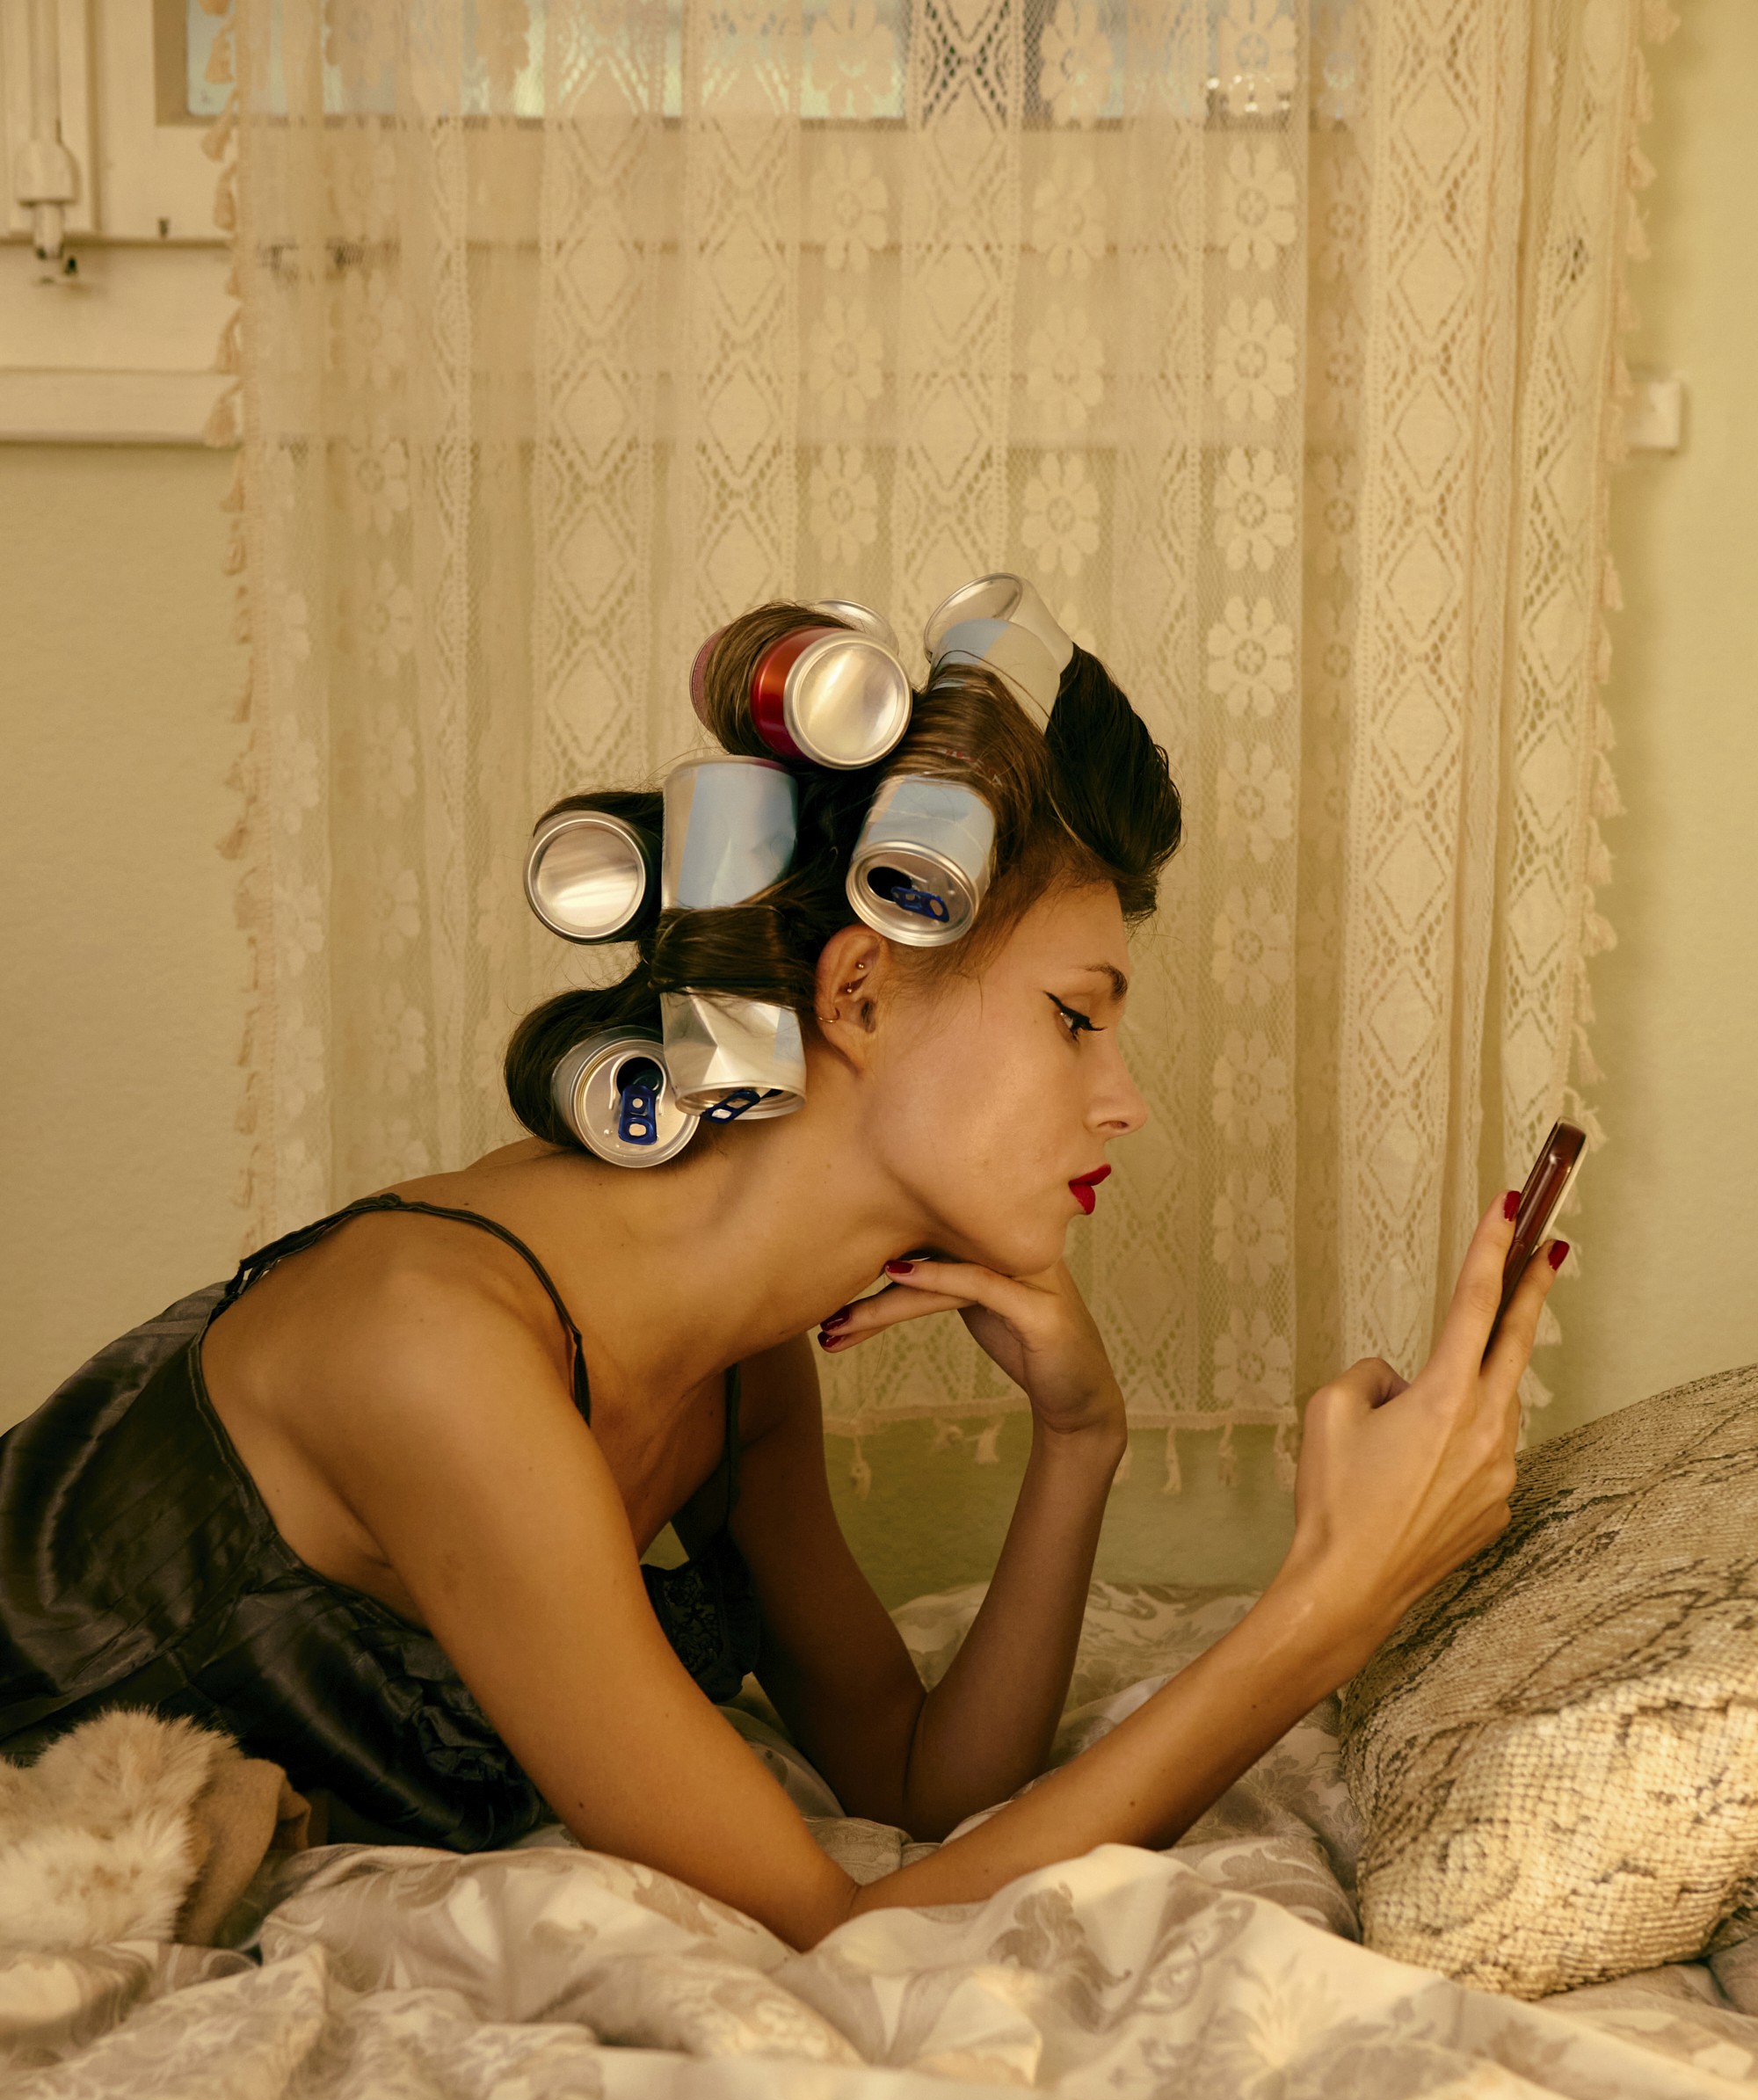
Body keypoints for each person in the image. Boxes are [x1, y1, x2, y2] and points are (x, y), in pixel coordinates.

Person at [0, 597, 1560, 1952]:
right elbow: (841, 1932)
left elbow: (914, 1787)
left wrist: (1082, 1439)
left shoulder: (737, 1362)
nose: (1124, 1104)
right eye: (1077, 1018)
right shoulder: (438, 1348)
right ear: (861, 989)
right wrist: (1326, 1609)